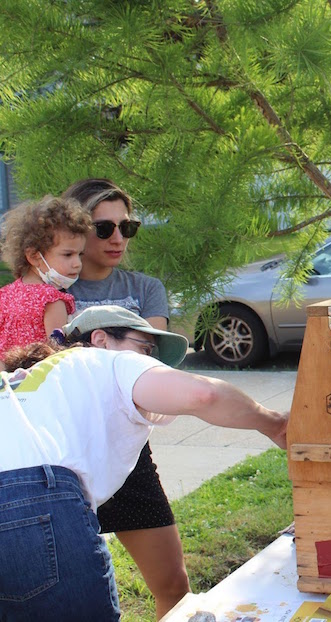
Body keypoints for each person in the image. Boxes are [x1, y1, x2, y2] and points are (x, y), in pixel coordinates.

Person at [0, 306, 288, 621]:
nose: (152, 362)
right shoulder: (103, 361)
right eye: (145, 349)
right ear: (101, 339)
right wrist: (275, 424)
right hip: (31, 500)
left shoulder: (30, 380)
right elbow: (204, 395)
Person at [61, 178, 185, 618]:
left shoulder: (146, 288)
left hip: (128, 450)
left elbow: (148, 373)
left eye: (126, 228)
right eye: (103, 228)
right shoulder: (49, 293)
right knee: (80, 600)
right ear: (75, 228)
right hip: (61, 460)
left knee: (174, 585)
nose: (117, 238)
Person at [0, 196, 92, 356]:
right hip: (39, 378)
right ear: (34, 256)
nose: (77, 263)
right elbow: (58, 355)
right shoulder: (52, 300)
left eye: (80, 254)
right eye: (68, 254)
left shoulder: (4, 295)